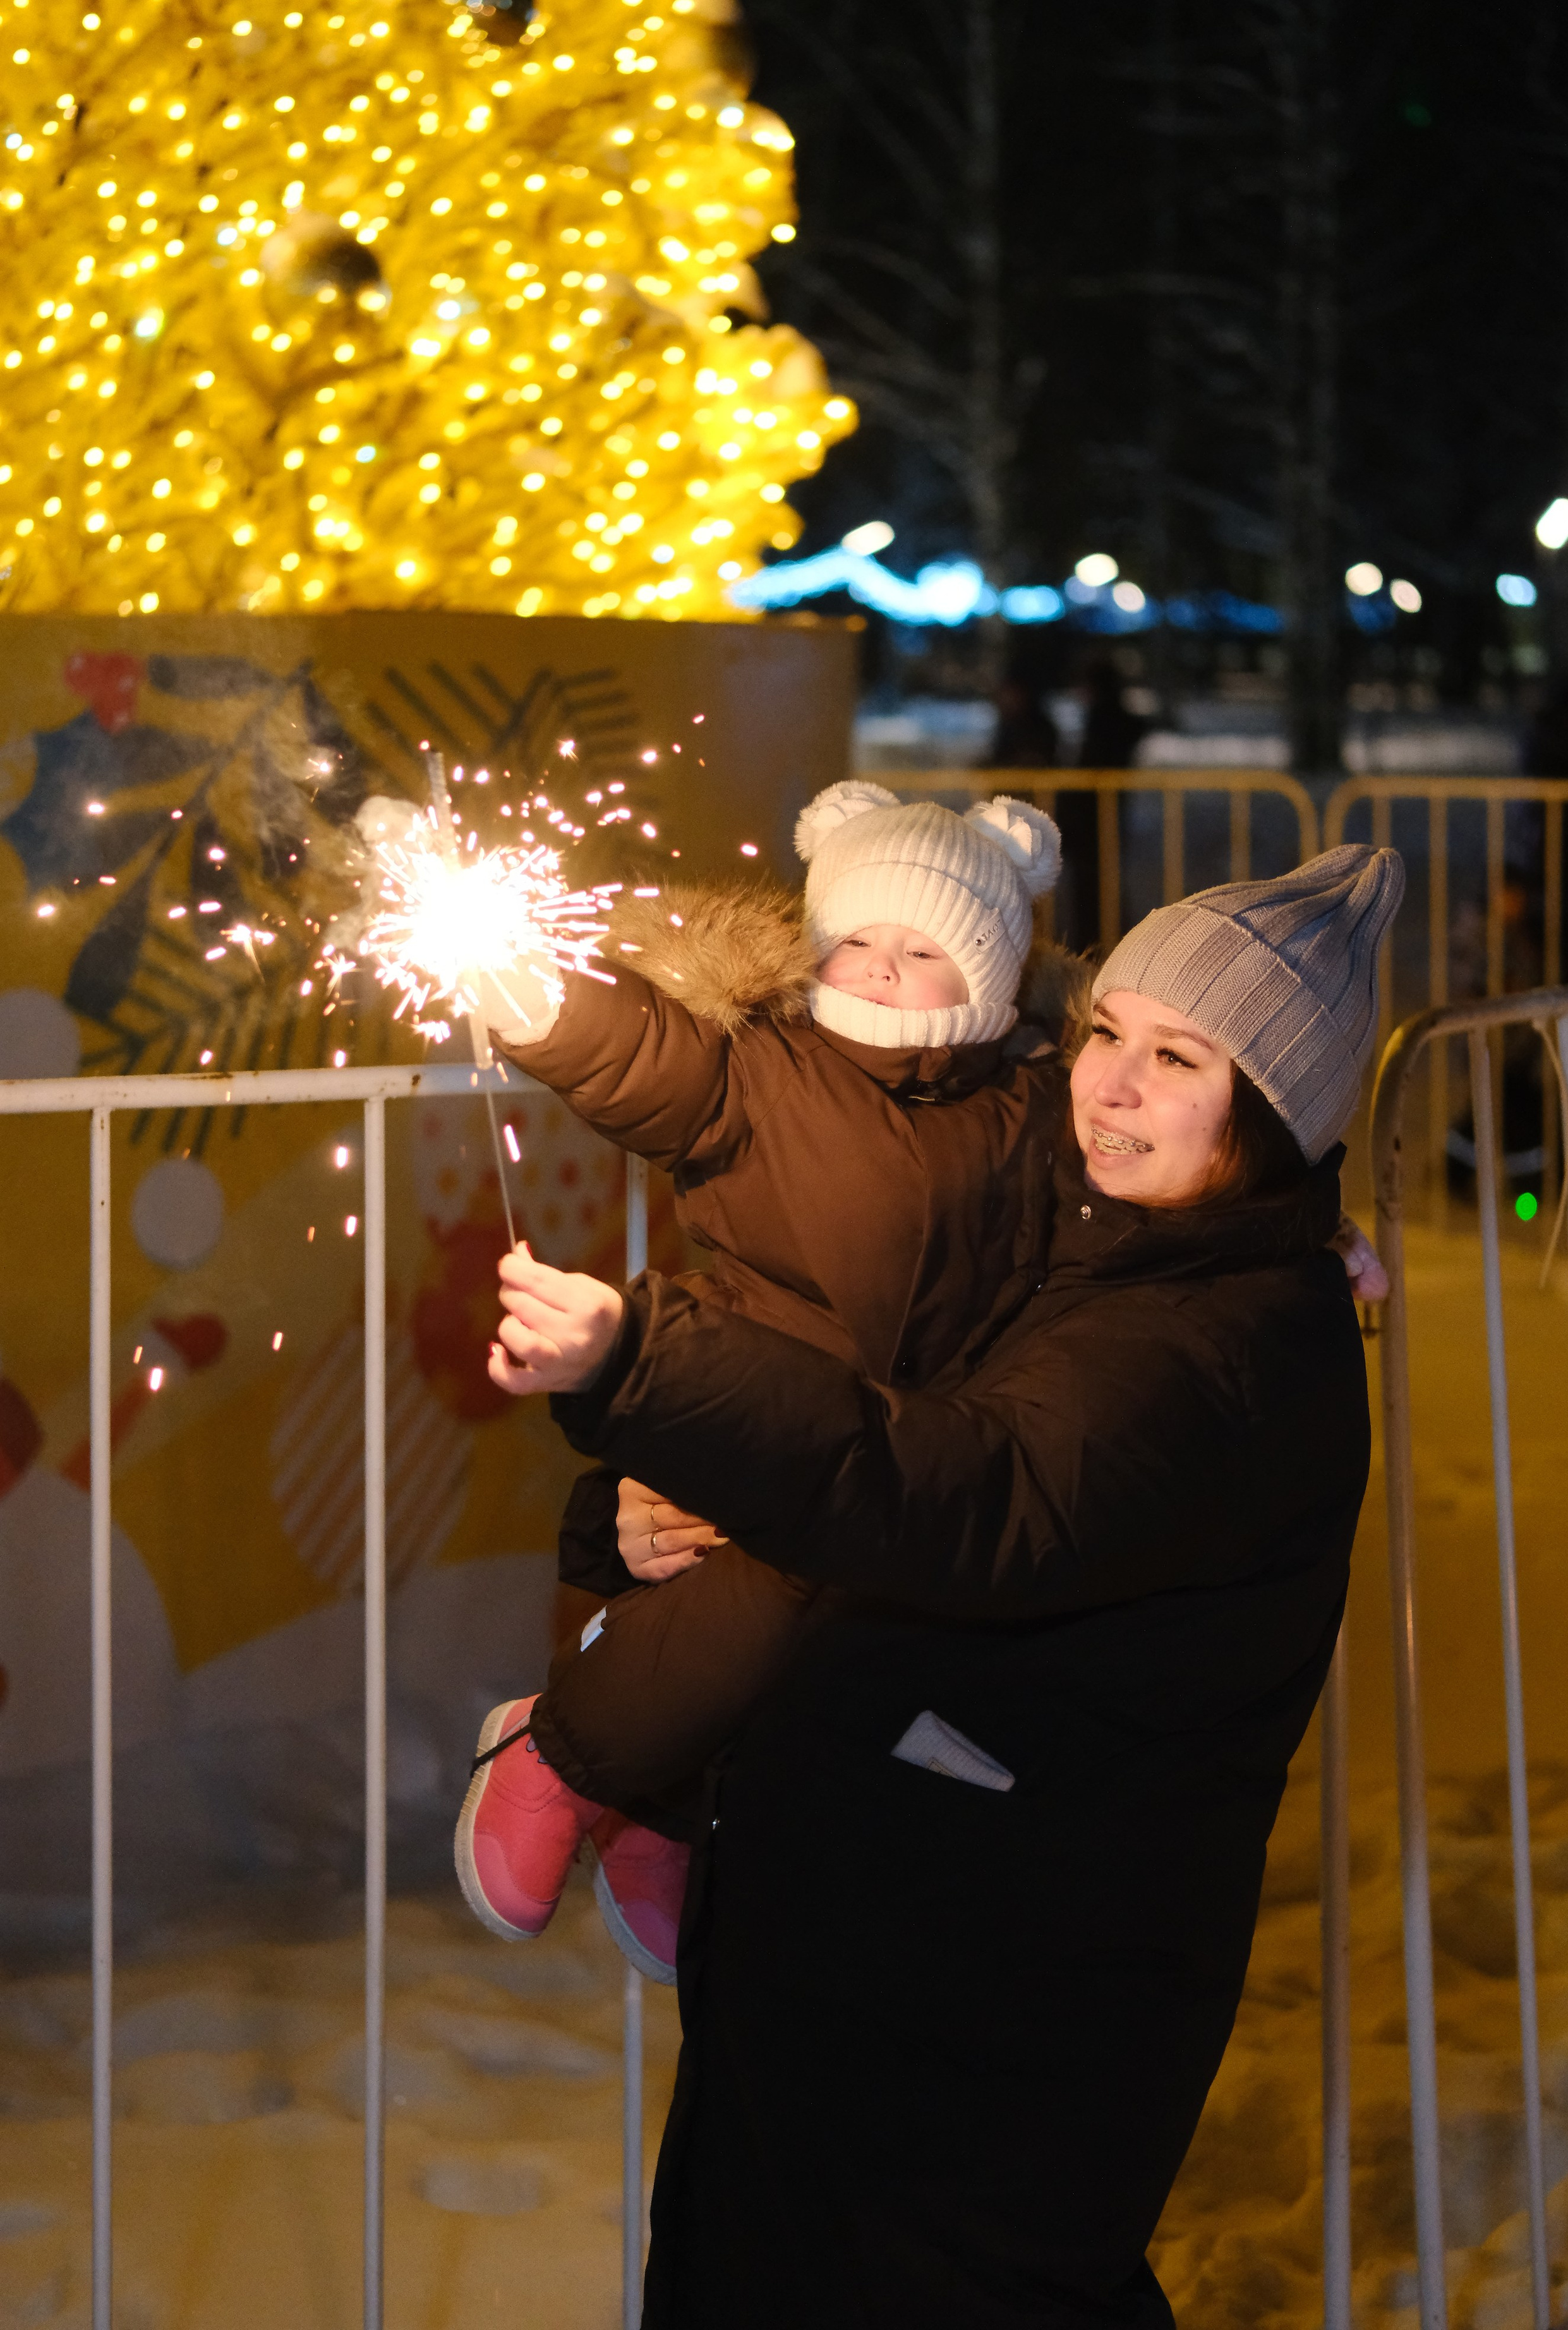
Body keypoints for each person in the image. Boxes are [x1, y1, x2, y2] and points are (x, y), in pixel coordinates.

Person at [488, 842, 1402, 2330]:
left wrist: (646, 1367)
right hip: (889, 1949)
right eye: (1102, 1030)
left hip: (991, 1996)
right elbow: (887, 1403)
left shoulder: (1202, 1354)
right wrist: (649, 1504)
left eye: (1174, 1060)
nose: (1102, 1084)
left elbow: (955, 1489)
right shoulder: (1119, 1247)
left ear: (1276, 1114)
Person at [455, 778, 1076, 1977]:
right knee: (744, 1596)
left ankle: (659, 1818)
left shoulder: (1031, 1106)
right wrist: (528, 989)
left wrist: (1302, 1233)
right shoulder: (764, 1073)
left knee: (838, 1650)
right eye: (855, 941)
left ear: (994, 980)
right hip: (744, 1422)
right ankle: (560, 1753)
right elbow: (640, 1050)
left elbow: (1135, 1198)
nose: (880, 971)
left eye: (923, 949)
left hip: (912, 1457)